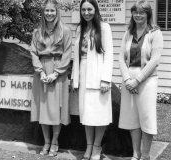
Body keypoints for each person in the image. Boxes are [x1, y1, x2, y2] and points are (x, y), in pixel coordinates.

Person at [118, 0, 163, 160]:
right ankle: (135, 154)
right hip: (128, 79)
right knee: (132, 118)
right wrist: (126, 79)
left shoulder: (155, 33)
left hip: (147, 80)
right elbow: (121, 58)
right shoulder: (128, 32)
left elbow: (155, 60)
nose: (138, 15)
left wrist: (136, 81)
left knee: (146, 117)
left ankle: (145, 155)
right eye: (135, 12)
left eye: (142, 12)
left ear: (148, 14)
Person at [71, 0, 113, 159]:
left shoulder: (105, 28)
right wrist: (75, 79)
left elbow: (109, 55)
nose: (86, 12)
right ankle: (88, 146)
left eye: (89, 9)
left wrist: (105, 79)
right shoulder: (80, 28)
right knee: (86, 114)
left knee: (100, 114)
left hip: (98, 75)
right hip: (83, 74)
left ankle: (97, 147)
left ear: (95, 9)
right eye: (83, 10)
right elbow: (77, 57)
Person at [30, 0, 72, 157]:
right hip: (41, 70)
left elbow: (68, 53)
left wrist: (56, 72)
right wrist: (40, 71)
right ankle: (46, 141)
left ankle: (55, 141)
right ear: (43, 12)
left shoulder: (65, 30)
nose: (49, 14)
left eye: (52, 11)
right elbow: (33, 52)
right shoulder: (37, 32)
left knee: (56, 109)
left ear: (57, 11)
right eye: (47, 11)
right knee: (43, 108)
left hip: (58, 71)